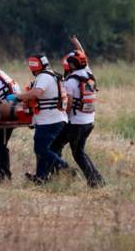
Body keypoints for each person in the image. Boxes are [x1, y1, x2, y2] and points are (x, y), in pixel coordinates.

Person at [51, 38, 105, 187]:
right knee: (78, 151)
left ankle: (61, 173)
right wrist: (76, 43)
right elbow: (82, 54)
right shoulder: (87, 72)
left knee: (54, 147)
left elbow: (67, 105)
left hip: (75, 124)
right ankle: (97, 180)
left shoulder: (70, 81)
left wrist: (61, 118)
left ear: (72, 65)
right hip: (88, 122)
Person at [14, 54, 70, 184]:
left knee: (41, 149)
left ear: (34, 67)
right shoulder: (53, 75)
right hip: (54, 119)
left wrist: (19, 97)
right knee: (42, 149)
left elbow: (37, 93)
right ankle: (41, 177)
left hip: (49, 120)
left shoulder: (44, 76)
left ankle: (64, 166)